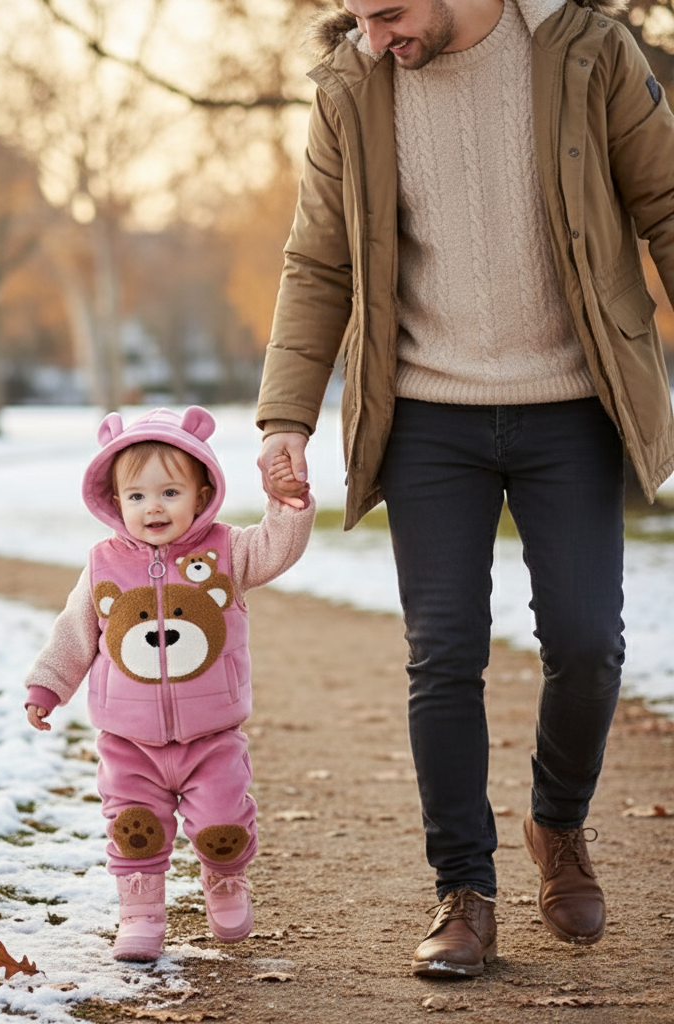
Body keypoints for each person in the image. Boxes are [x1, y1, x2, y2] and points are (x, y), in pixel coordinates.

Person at [256, 0, 674, 979]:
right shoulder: (352, 86)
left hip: (572, 403)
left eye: (388, 13)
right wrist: (285, 417)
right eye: (358, 17)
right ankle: (463, 892)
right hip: (425, 415)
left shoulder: (587, 51)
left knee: (586, 641)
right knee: (442, 652)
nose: (374, 37)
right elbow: (317, 260)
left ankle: (556, 825)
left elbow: (665, 204)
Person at [24, 406, 315, 961]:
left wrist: (288, 503)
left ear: (201, 495)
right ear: (115, 501)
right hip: (128, 739)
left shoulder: (228, 552)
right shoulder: (103, 564)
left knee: (223, 822)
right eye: (136, 496)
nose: (152, 507)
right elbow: (75, 633)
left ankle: (224, 878)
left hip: (212, 735)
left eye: (169, 493)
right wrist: (47, 686)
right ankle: (140, 913)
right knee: (135, 827)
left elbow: (279, 547)